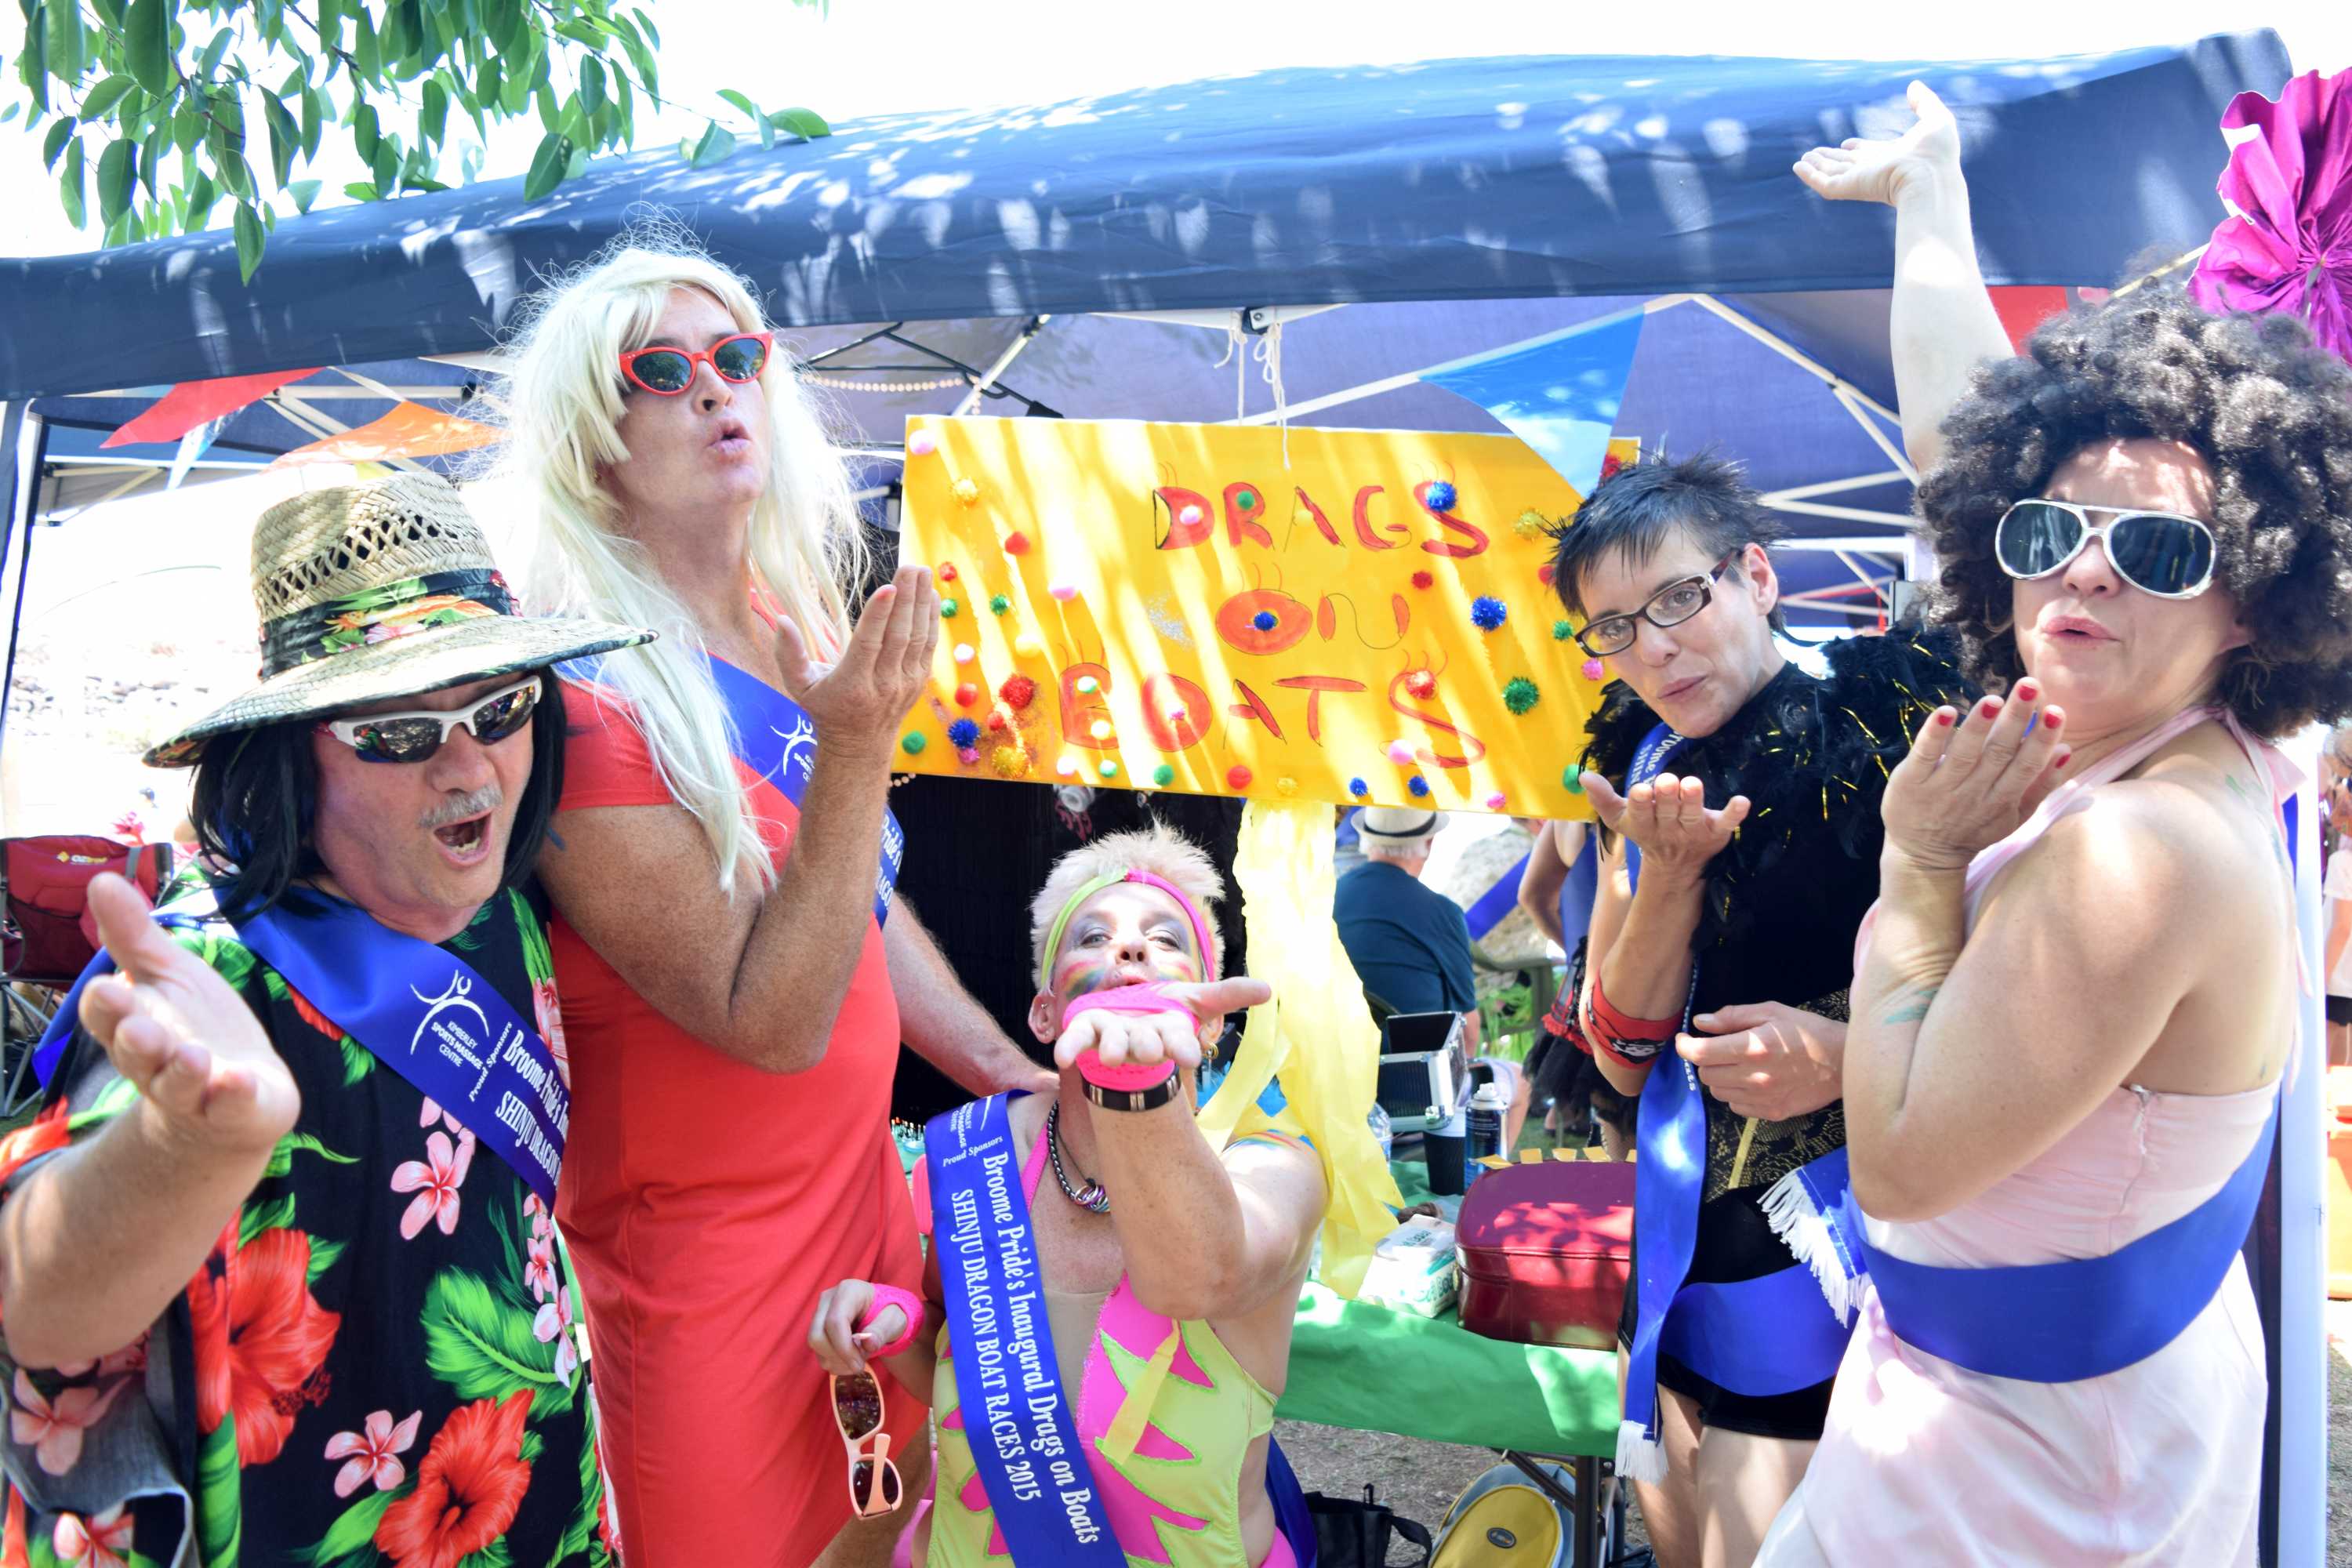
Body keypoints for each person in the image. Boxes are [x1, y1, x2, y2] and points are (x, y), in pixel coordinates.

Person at [1756, 151, 2352, 1568]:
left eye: (2153, 546)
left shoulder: (2138, 845)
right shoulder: (2186, 742)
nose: (2084, 571)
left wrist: (1915, 866)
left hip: (2024, 1472)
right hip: (2063, 1411)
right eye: (2048, 532)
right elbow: (1962, 437)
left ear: (2258, 597)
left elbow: (1901, 1170)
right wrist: (1932, 205)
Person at [499, 234, 1051, 1567]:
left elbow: (848, 896)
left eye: (737, 355)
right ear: (589, 439)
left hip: (863, 1209)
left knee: (890, 1537)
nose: (715, 388)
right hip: (701, 1271)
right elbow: (770, 1020)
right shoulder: (583, 692)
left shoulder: (782, 612)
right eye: (663, 369)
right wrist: (858, 746)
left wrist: (1003, 1069)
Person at [0, 475, 652, 1566]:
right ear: (293, 754)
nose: (468, 764)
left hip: (533, 1514)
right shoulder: (209, 972)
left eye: (501, 710)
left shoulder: (507, 916)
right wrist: (181, 1150)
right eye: (399, 731)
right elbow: (35, 1307)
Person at [808, 824, 1325, 1566]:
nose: (1131, 949)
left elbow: (1202, 1274)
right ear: (1045, 1014)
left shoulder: (1272, 1168)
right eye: (1094, 935)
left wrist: (1137, 1093)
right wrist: (890, 1328)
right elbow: (960, 1364)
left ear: (1210, 1023)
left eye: (1165, 938)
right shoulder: (964, 1161)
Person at [1335, 806, 1528, 1146]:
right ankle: (1481, 1187)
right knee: (1520, 1080)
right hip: (1419, 1099)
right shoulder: (1441, 913)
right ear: (1429, 842)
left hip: (1335, 1084)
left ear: (1367, 839)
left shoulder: (1327, 897)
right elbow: (1468, 1029)